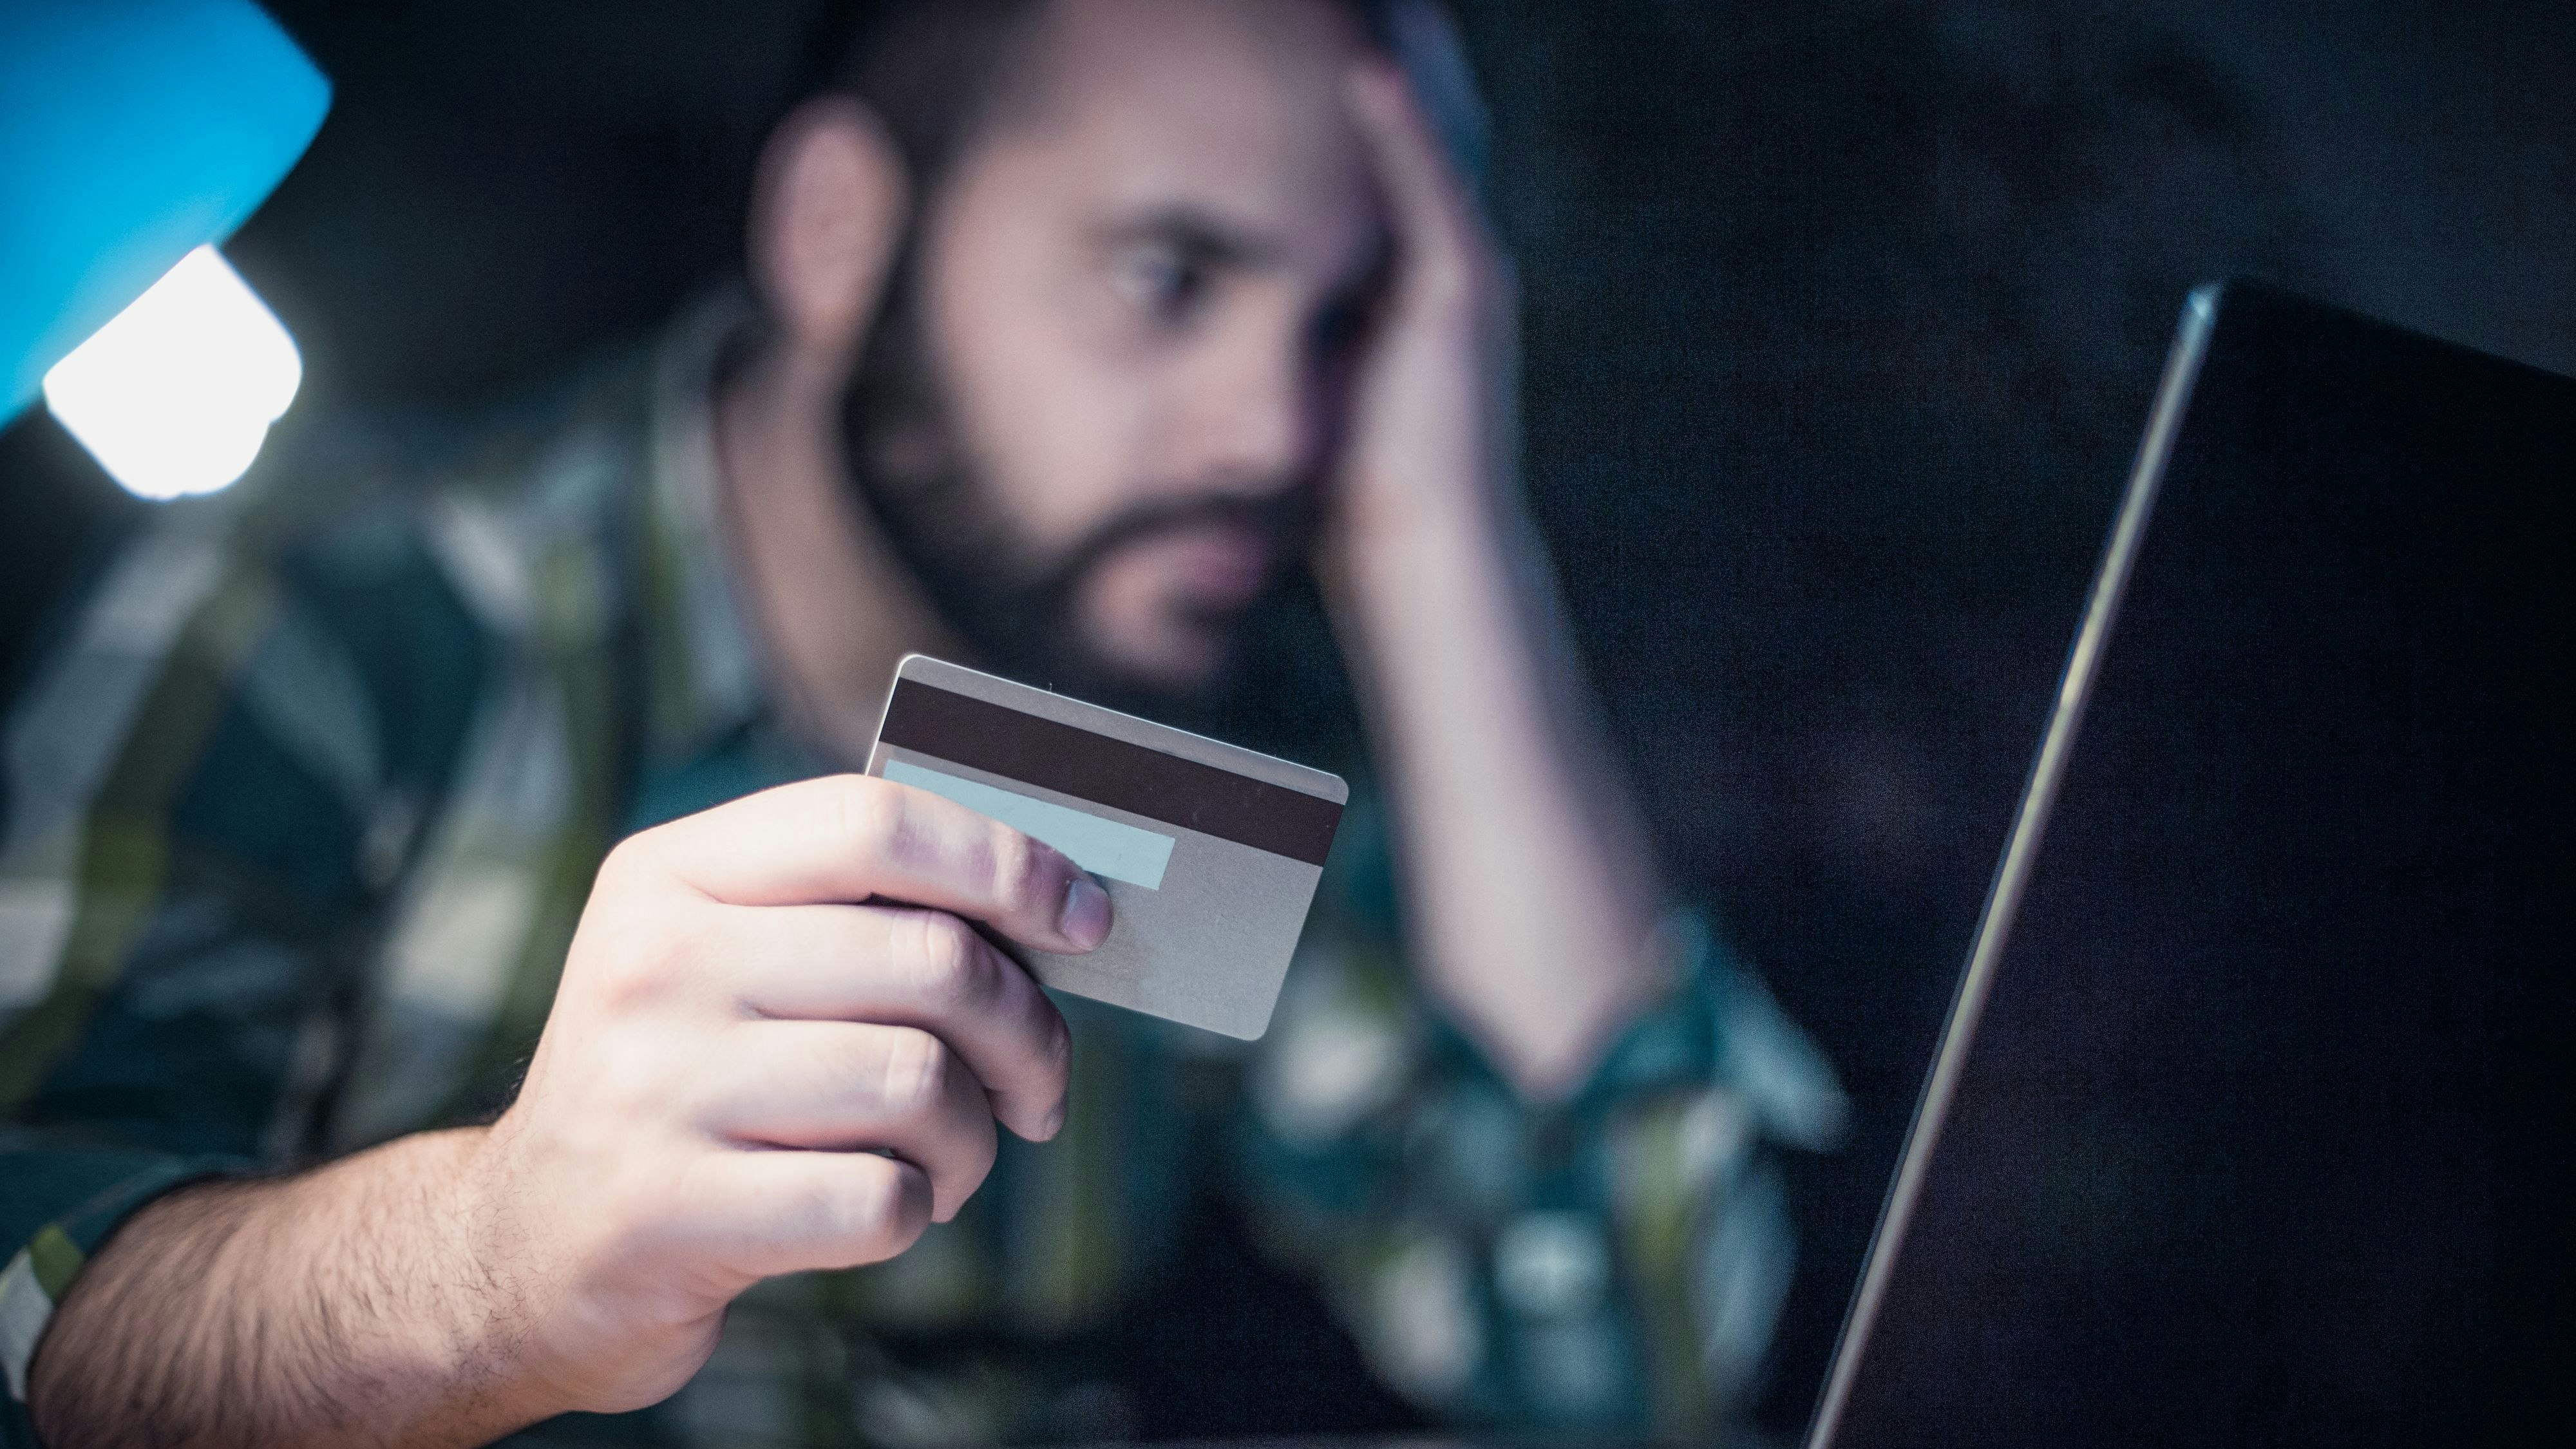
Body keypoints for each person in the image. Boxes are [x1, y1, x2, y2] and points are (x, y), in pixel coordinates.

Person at [0, 0, 1844, 1443]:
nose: (1275, 434)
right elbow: (23, 1303)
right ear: (837, 231)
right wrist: (490, 1254)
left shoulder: (1167, 723)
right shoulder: (343, 625)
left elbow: (1634, 1356)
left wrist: (1442, 526)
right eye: (1170, 280)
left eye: (1347, 324)